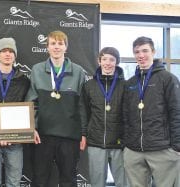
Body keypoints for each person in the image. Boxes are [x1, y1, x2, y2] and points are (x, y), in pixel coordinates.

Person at [26, 30, 87, 187]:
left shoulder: (78, 71)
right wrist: (32, 128)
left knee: (68, 180)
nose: (57, 47)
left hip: (69, 136)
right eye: (53, 43)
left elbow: (82, 106)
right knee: (40, 179)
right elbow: (32, 103)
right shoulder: (37, 70)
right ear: (47, 47)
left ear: (66, 47)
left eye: (60, 44)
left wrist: (83, 133)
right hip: (43, 135)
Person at [123, 36, 180, 187]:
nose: (141, 55)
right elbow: (126, 116)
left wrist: (176, 147)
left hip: (162, 149)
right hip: (134, 150)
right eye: (137, 52)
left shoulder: (168, 79)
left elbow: (176, 113)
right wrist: (127, 144)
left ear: (153, 52)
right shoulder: (130, 83)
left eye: (145, 51)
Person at [0, 37, 30, 187]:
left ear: (15, 55)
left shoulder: (24, 80)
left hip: (15, 140)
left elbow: (28, 108)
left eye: (11, 51)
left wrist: (10, 134)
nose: (8, 54)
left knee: (14, 182)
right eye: (4, 51)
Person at [82, 47, 128, 187]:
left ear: (117, 62)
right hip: (96, 143)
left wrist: (127, 139)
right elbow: (83, 112)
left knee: (124, 183)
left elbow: (129, 115)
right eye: (104, 59)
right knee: (97, 184)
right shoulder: (89, 85)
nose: (108, 63)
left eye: (112, 59)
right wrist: (84, 134)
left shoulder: (126, 86)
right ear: (99, 61)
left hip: (119, 144)